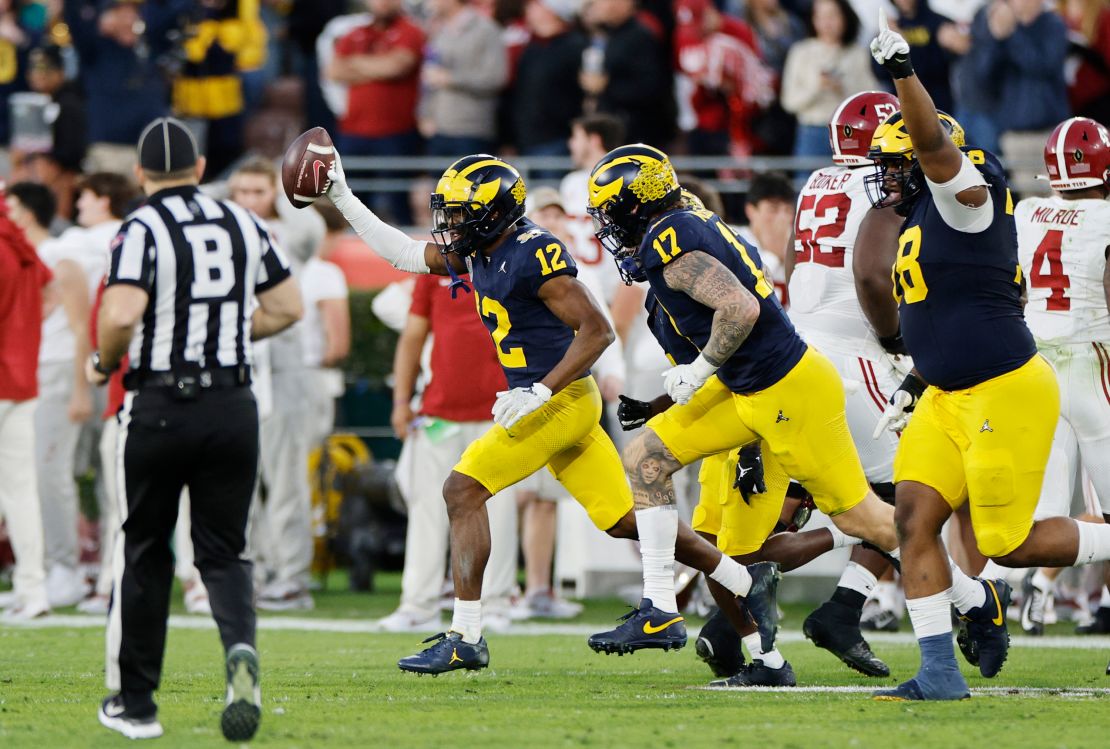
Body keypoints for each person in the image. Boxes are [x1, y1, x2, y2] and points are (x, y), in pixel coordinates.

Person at [326, 150, 779, 674]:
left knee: (462, 489)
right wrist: (342, 195)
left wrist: (540, 390)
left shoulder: (531, 251)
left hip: (559, 401)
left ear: (491, 212)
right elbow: (404, 252)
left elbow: (598, 330)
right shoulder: (480, 249)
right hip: (556, 402)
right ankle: (749, 587)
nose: (449, 224)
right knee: (627, 523)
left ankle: (465, 635)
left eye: (457, 214)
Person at [867, 14, 1110, 701]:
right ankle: (940, 671)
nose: (884, 179)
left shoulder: (968, 199)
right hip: (945, 394)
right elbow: (943, 308)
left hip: (1006, 387)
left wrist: (905, 72)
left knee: (1010, 543)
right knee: (912, 517)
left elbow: (936, 150)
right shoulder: (919, 218)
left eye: (893, 165)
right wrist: (914, 378)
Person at [584, 143, 903, 656]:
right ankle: (665, 611)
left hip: (785, 392)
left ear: (637, 206)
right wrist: (664, 404)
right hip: (747, 395)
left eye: (612, 213)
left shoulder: (674, 242)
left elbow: (740, 310)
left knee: (850, 522)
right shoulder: (680, 237)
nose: (608, 227)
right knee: (647, 461)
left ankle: (971, 598)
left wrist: (706, 377)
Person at [88, 117, 302, 740]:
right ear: (202, 168)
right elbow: (287, 307)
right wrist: (234, 332)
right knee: (224, 552)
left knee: (148, 552)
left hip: (161, 404)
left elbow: (123, 312)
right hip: (234, 405)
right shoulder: (243, 220)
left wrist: (104, 360)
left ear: (140, 174)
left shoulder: (142, 226)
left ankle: (137, 704)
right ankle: (241, 651)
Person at [783, 90, 906, 676]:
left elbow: (790, 265)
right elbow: (873, 275)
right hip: (852, 351)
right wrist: (897, 342)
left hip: (795, 348)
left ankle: (729, 625)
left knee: (784, 503)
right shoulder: (881, 190)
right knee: (910, 491)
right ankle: (847, 607)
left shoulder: (815, 184)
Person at [1011, 117, 1110, 634]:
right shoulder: (1106, 219)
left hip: (1038, 370)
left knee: (1046, 521)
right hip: (1094, 367)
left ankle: (1025, 589)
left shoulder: (1028, 213)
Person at [381, 272, 519, 633]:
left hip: (500, 410)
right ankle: (418, 602)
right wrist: (401, 399)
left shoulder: (510, 263)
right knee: (427, 509)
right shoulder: (435, 270)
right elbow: (413, 336)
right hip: (439, 410)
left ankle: (497, 600)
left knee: (500, 512)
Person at [228, 159, 324, 612]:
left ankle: (291, 576)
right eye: (241, 192)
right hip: (240, 362)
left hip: (282, 363)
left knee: (285, 479)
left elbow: (310, 228)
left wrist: (283, 195)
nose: (249, 200)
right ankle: (260, 566)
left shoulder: (289, 232)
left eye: (258, 191)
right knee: (242, 479)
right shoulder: (224, 230)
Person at [324, 0, 425, 225]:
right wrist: (379, 67)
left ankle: (409, 258)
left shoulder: (410, 31)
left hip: (395, 132)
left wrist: (355, 64)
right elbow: (333, 71)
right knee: (351, 203)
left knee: (398, 202)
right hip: (353, 131)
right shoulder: (355, 32)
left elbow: (396, 66)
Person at [0, 183, 51, 622]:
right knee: (20, 492)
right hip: (21, 380)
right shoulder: (21, 247)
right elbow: (47, 296)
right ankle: (32, 589)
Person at [781, 0, 878, 158]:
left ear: (845, 17)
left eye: (833, 16)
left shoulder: (858, 54)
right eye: (821, 16)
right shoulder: (800, 52)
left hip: (849, 132)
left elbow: (870, 99)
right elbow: (789, 102)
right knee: (806, 181)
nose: (827, 23)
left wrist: (843, 89)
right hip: (811, 131)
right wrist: (817, 87)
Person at [580, 0, 674, 147]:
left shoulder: (641, 37)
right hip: (615, 131)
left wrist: (606, 87)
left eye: (600, 2)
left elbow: (652, 86)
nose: (596, 6)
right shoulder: (609, 35)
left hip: (638, 133)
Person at [421, 0, 508, 157]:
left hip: (472, 131)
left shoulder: (486, 30)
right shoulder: (438, 30)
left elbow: (495, 78)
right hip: (438, 130)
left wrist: (452, 78)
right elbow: (428, 77)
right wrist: (425, 114)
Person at [513, 0, 587, 156]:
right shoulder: (532, 49)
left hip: (559, 139)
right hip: (526, 139)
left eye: (535, 5)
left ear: (551, 11)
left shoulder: (576, 46)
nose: (528, 9)